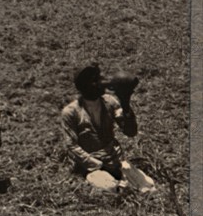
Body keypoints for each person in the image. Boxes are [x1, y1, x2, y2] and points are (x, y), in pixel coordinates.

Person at [61, 64, 156, 193]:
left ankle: (122, 182)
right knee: (110, 187)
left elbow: (130, 132)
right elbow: (71, 145)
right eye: (94, 81)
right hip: (92, 166)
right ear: (84, 87)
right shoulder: (71, 112)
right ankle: (118, 185)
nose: (101, 83)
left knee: (149, 186)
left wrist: (125, 103)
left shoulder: (110, 102)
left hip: (114, 159)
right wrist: (96, 163)